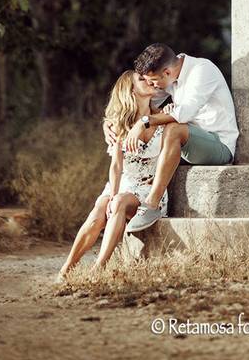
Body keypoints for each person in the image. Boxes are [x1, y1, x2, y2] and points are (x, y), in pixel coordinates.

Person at [104, 43, 239, 233]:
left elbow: (182, 114)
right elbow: (141, 102)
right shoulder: (169, 77)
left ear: (166, 72)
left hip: (218, 145)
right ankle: (125, 198)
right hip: (188, 145)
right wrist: (109, 123)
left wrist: (143, 122)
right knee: (160, 128)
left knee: (173, 127)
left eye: (153, 81)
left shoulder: (201, 71)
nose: (152, 86)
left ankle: (151, 204)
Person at [56, 70, 172, 280]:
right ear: (130, 90)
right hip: (123, 181)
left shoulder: (163, 117)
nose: (148, 80)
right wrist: (111, 195)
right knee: (101, 208)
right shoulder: (119, 123)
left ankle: (99, 268)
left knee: (118, 202)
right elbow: (116, 166)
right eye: (141, 79)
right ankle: (67, 268)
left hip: (149, 187)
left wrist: (172, 110)